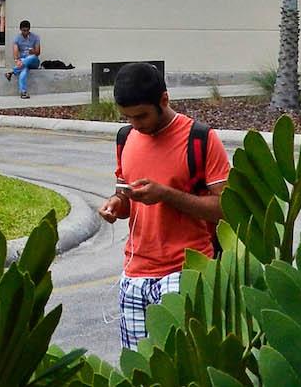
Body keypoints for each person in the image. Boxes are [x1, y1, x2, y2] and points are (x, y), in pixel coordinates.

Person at [97, 62, 230, 350]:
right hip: (134, 274)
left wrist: (166, 195)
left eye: (142, 116)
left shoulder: (200, 139)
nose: (135, 125)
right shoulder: (126, 138)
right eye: (127, 117)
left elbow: (226, 208)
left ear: (164, 100)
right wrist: (116, 205)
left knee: (183, 367)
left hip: (185, 270)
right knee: (140, 370)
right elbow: (126, 199)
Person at [8, 20, 44, 99]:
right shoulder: (17, 39)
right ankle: (23, 92)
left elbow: (38, 52)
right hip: (22, 62)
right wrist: (17, 61)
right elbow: (15, 52)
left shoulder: (35, 37)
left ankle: (13, 71)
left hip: (33, 61)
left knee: (32, 57)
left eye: (27, 30)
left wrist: (33, 51)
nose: (26, 32)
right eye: (24, 30)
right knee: (23, 71)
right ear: (20, 30)